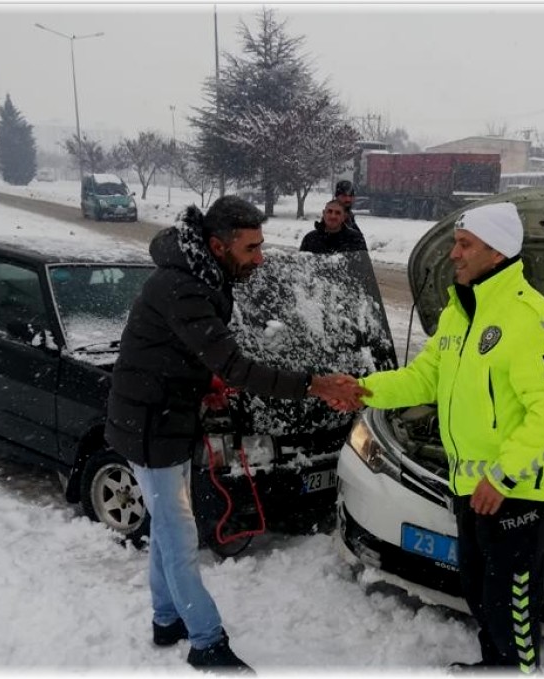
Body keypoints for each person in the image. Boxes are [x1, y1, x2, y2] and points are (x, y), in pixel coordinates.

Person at [105, 195, 363, 673]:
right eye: (251, 249)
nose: (260, 258)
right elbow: (233, 363)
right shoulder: (182, 287)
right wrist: (313, 384)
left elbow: (191, 355)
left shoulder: (202, 275)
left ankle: (166, 619)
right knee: (179, 536)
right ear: (217, 245)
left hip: (167, 419)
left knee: (167, 530)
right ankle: (206, 642)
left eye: (261, 246)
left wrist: (208, 382)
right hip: (149, 428)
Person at [352, 202, 544, 673]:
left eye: (465, 245)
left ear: (496, 252)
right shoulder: (460, 316)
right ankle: (493, 665)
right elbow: (423, 380)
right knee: (480, 593)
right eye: (456, 243)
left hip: (513, 494)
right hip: (468, 489)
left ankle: (516, 670)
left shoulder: (534, 322)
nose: (454, 254)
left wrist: (502, 477)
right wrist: (362, 390)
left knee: (512, 607)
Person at [299, 199, 368, 254]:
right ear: (323, 213)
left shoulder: (355, 239)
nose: (333, 216)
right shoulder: (310, 239)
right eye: (329, 211)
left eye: (338, 213)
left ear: (344, 217)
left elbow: (363, 267)